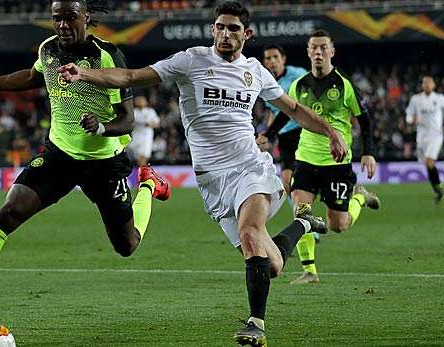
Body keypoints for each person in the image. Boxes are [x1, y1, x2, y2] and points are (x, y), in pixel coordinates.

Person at [58, 2, 348, 346]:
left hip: (250, 168)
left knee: (250, 230)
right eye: (220, 27)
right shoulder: (191, 60)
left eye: (234, 29)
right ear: (213, 29)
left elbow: (295, 110)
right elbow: (133, 76)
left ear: (247, 34)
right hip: (212, 181)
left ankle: (256, 324)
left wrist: (331, 131)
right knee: (270, 265)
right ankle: (302, 225)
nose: (226, 34)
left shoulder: (255, 71)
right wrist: (85, 74)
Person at [0, 0, 170, 328]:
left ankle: (149, 183)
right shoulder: (48, 49)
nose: (62, 25)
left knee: (127, 245)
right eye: (57, 18)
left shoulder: (107, 56)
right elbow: (29, 77)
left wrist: (102, 127)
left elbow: (127, 120)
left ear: (86, 17)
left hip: (105, 162)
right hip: (59, 156)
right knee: (8, 212)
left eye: (70, 18)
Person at [258, 30, 381, 285]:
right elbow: (286, 113)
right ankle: (310, 271)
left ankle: (360, 197)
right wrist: (268, 134)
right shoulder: (299, 84)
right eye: (314, 48)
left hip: (336, 164)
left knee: (339, 225)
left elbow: (365, 120)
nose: (318, 52)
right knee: (301, 215)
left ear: (332, 52)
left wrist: (368, 152)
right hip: (305, 160)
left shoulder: (344, 85)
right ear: (308, 52)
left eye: (323, 48)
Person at [258, 45, 306, 197]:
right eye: (268, 58)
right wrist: (267, 135)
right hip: (284, 135)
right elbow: (273, 112)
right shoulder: (265, 82)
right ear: (264, 62)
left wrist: (269, 133)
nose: (272, 61)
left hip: (303, 130)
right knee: (286, 182)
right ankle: (301, 214)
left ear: (283, 59)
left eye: (275, 57)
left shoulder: (298, 75)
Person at [405, 75, 444, 203]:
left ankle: (438, 187)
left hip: (436, 135)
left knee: (429, 162)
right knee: (427, 164)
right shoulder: (416, 99)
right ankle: (437, 189)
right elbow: (408, 115)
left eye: (429, 82)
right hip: (421, 136)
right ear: (422, 85)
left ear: (433, 84)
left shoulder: (440, 99)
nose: (427, 85)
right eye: (424, 83)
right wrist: (412, 120)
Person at [128, 96, 160, 166]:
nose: (140, 102)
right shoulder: (134, 112)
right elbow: (129, 123)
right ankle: (137, 174)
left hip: (146, 138)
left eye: (141, 100)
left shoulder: (150, 111)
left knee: (143, 159)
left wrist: (149, 124)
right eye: (138, 100)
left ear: (146, 102)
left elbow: (157, 124)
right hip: (135, 137)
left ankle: (142, 175)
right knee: (134, 158)